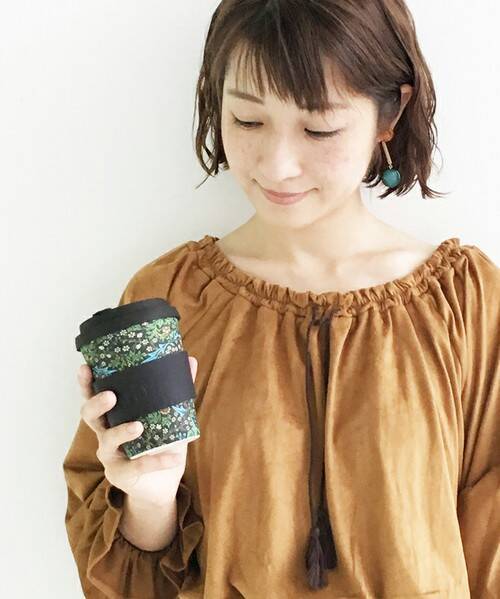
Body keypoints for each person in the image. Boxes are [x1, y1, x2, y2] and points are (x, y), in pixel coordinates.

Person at [63, 1, 499, 597]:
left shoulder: (465, 303)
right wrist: (149, 496)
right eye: (247, 121)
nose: (278, 165)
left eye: (319, 129)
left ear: (390, 114)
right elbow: (136, 582)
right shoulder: (170, 301)